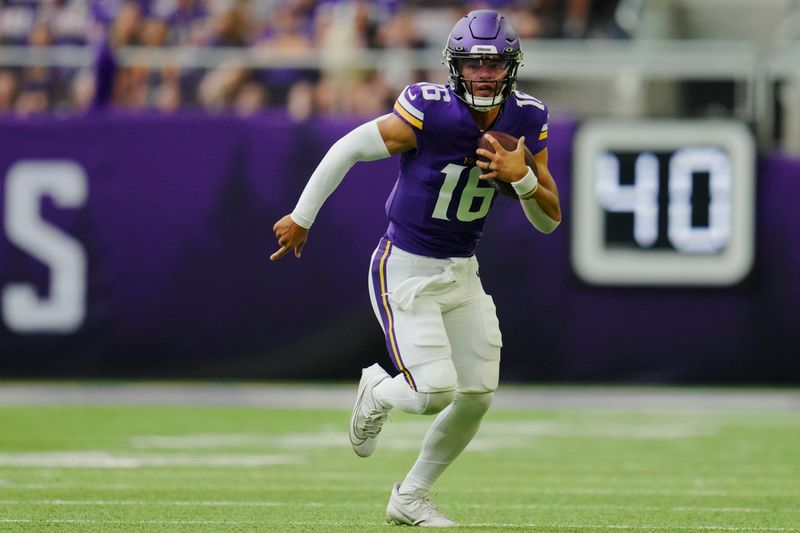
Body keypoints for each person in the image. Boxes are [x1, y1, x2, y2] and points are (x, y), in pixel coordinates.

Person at [270, 9, 561, 527]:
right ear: (456, 67)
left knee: (476, 395)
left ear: (512, 68)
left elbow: (549, 221)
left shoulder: (526, 119)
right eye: (474, 64)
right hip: (404, 266)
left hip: (461, 271)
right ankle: (376, 391)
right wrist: (302, 215)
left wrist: (521, 181)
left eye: (495, 64)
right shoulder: (431, 110)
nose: (485, 74)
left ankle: (411, 496)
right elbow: (349, 148)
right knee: (433, 391)